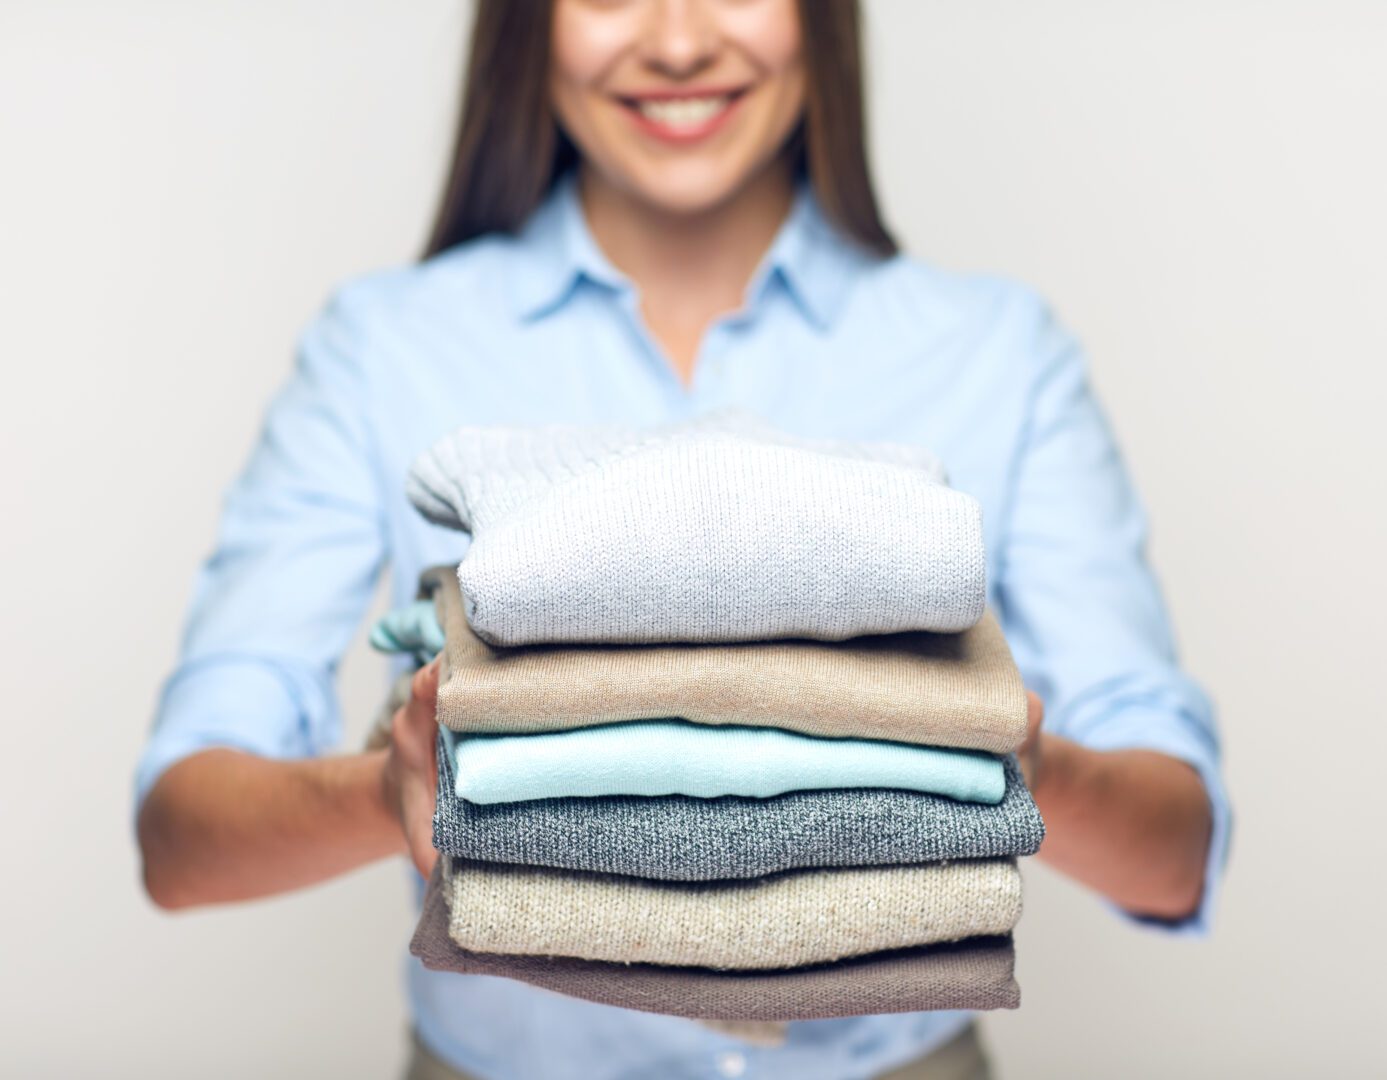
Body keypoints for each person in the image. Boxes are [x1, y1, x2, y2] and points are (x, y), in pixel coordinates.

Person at [134, 1, 1229, 1077]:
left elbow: (1174, 857)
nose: (674, 39)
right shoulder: (384, 349)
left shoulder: (995, 353)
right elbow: (180, 838)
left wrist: (999, 754)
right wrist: (388, 793)